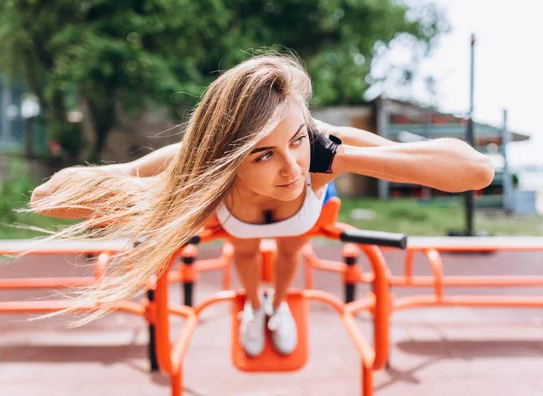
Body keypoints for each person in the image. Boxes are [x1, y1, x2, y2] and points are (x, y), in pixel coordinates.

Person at [29, 51, 494, 356]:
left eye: (296, 140)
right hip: (237, 218)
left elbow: (476, 170)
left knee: (293, 249)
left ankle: (277, 307)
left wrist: (341, 156)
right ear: (229, 158)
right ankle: (256, 306)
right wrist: (156, 190)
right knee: (245, 252)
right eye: (264, 153)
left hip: (304, 219)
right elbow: (46, 198)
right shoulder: (198, 165)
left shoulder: (324, 148)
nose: (292, 168)